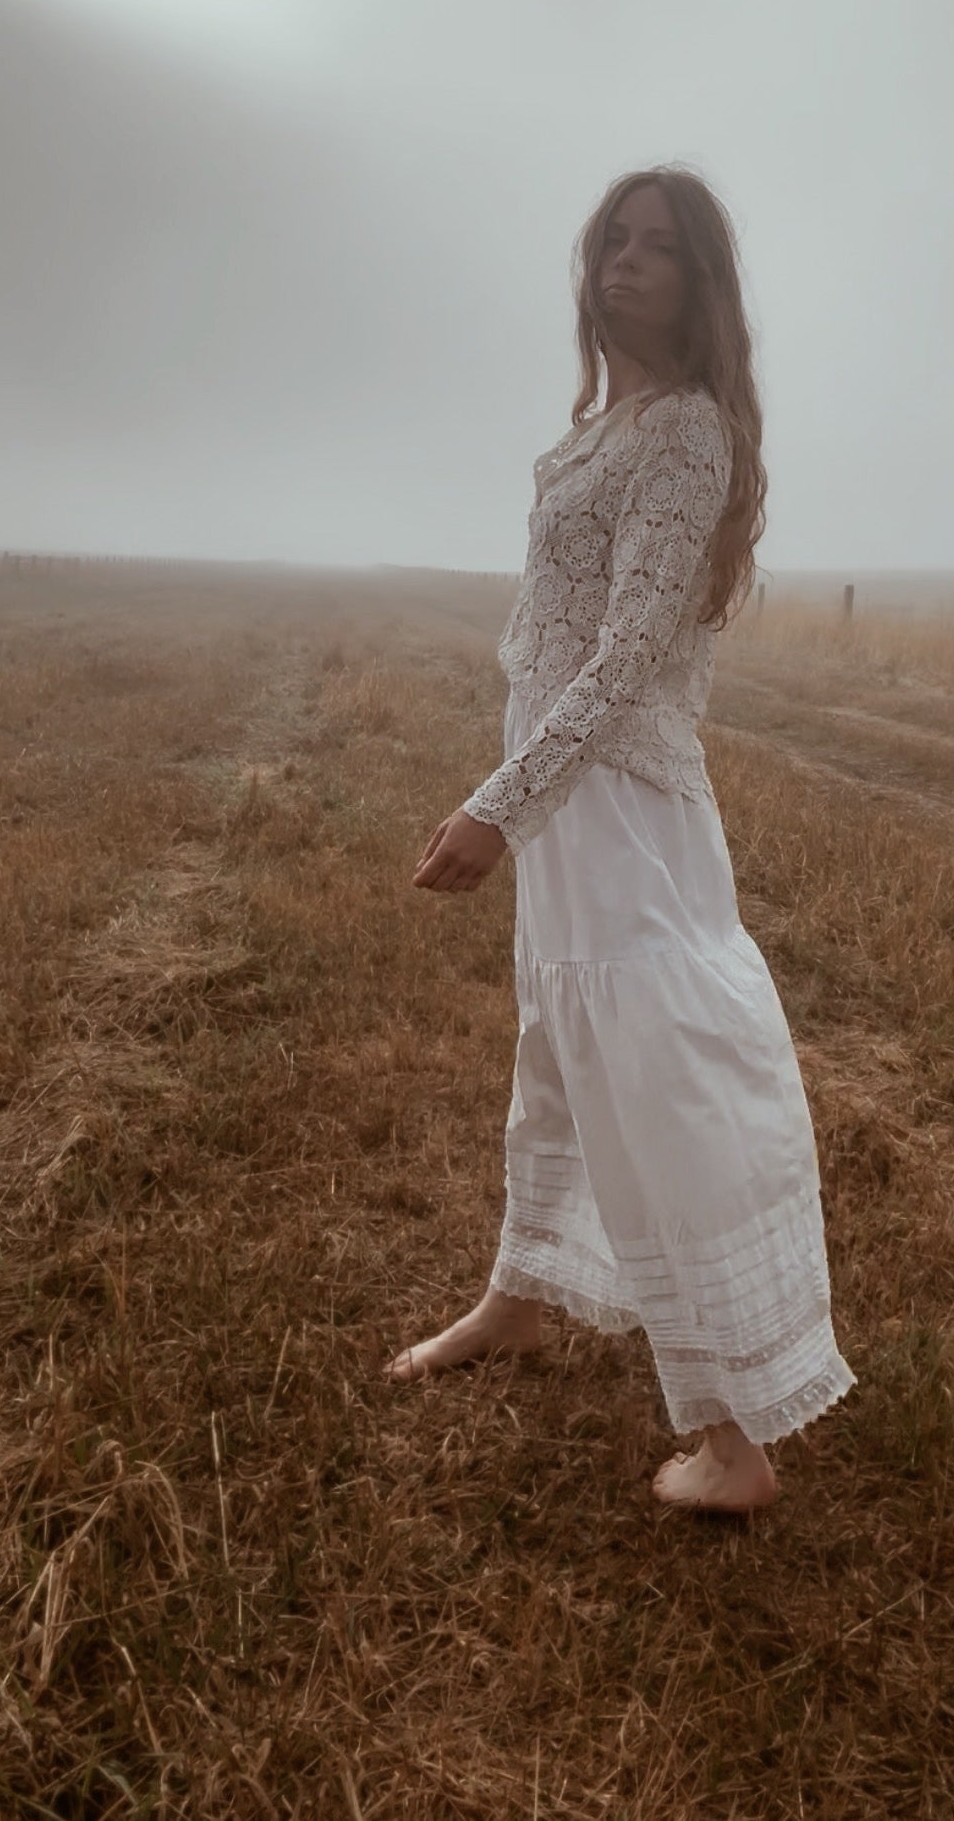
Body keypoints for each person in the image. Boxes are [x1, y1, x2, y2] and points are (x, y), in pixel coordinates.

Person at [387, 166, 856, 1513]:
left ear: (702, 284)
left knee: (656, 1071)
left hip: (624, 807)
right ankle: (518, 1298)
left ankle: (732, 1439)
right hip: (569, 799)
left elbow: (630, 652)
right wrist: (523, 796)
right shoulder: (601, 429)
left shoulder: (688, 432)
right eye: (613, 240)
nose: (626, 261)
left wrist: (500, 804)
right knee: (556, 1040)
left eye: (660, 247)